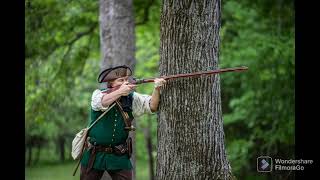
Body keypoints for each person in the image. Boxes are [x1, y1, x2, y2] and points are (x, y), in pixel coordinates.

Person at [80, 65, 166, 180]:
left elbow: (153, 106)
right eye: (121, 80)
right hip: (94, 154)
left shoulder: (132, 98)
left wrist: (157, 88)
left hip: (119, 155)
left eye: (126, 80)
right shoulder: (99, 94)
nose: (125, 82)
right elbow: (102, 103)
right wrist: (120, 92)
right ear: (111, 84)